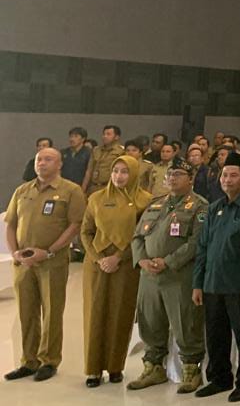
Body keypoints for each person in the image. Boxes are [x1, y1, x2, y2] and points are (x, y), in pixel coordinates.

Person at [5, 147, 87, 382]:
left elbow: (75, 225)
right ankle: (29, 361)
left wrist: (49, 251)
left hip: (52, 262)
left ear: (59, 164)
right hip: (23, 263)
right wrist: (15, 253)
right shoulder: (22, 191)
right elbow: (10, 224)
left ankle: (49, 360)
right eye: (39, 159)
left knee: (51, 312)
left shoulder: (71, 191)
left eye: (48, 159)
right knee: (27, 312)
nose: (41, 163)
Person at [128, 160, 208, 394]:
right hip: (149, 275)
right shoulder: (155, 204)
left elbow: (197, 242)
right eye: (170, 174)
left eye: (179, 174)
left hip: (178, 275)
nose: (172, 178)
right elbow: (137, 237)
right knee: (150, 320)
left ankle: (191, 369)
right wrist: (141, 260)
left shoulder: (200, 207)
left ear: (191, 179)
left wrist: (169, 261)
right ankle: (153, 367)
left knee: (185, 322)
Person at [192, 152, 240, 402]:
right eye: (224, 175)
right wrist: (198, 283)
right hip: (213, 283)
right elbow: (203, 247)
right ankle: (219, 378)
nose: (227, 180)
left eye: (233, 175)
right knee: (215, 335)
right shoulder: (214, 208)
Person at [81, 155, 151, 387]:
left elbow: (142, 235)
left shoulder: (145, 200)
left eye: (125, 171)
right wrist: (99, 258)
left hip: (125, 264)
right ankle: (92, 370)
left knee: (120, 313)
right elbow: (86, 231)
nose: (119, 176)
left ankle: (115, 367)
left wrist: (118, 257)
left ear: (134, 174)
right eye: (115, 171)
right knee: (94, 314)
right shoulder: (96, 198)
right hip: (97, 264)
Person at [83, 125, 125, 197]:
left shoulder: (121, 151)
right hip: (93, 187)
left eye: (108, 134)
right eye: (104, 134)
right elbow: (89, 170)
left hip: (109, 188)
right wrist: (83, 189)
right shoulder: (96, 150)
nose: (105, 136)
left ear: (116, 137)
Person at [61, 127, 93, 192]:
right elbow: (58, 169)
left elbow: (89, 172)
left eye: (76, 136)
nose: (72, 139)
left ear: (83, 139)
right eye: (71, 136)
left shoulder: (89, 153)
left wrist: (83, 189)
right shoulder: (63, 152)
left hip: (80, 187)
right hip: (64, 186)